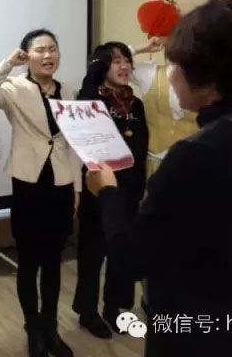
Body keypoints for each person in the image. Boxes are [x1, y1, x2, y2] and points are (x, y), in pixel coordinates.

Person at [86, 0, 232, 357]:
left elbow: (130, 257)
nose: (171, 75)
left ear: (202, 73)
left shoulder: (194, 156)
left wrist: (107, 191)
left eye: (176, 64)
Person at [0, 29, 81, 357]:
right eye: (40, 50)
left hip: (61, 182)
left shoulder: (68, 90)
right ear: (27, 56)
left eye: (53, 49)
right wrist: (8, 63)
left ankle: (50, 328)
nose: (48, 56)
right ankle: (33, 329)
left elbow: (73, 140)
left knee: (53, 261)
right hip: (29, 183)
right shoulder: (13, 87)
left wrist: (77, 186)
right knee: (30, 261)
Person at [72, 42, 148, 338]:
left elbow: (139, 149)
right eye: (116, 61)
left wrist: (138, 188)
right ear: (102, 67)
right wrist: (94, 69)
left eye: (127, 60)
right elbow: (84, 108)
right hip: (98, 188)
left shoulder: (136, 104)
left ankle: (116, 308)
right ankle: (88, 312)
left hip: (129, 191)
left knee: (122, 252)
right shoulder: (92, 102)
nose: (124, 66)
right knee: (92, 254)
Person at [131, 0, 198, 178]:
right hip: (156, 167)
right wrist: (140, 49)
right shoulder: (149, 74)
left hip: (195, 167)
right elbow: (104, 64)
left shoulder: (205, 79)